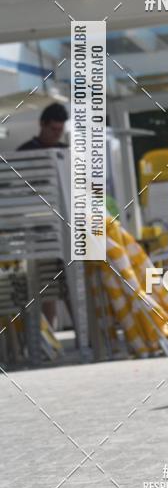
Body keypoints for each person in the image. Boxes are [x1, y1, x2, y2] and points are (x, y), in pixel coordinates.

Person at [17, 102, 69, 328]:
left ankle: (83, 334)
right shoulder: (24, 153)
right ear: (42, 125)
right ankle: (53, 333)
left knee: (71, 279)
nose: (57, 135)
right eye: (53, 130)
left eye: (60, 130)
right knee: (48, 282)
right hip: (39, 230)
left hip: (66, 228)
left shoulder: (66, 151)